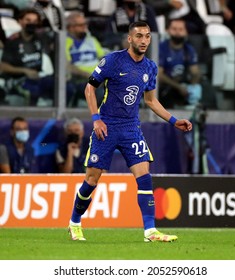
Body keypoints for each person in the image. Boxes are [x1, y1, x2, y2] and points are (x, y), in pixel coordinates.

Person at [68, 21, 192, 242]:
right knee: (92, 180)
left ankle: (150, 231)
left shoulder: (150, 67)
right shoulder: (113, 60)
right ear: (130, 38)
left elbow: (151, 101)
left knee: (144, 177)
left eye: (147, 36)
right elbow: (90, 87)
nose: (143, 40)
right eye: (139, 36)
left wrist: (174, 120)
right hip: (106, 127)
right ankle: (75, 222)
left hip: (131, 128)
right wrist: (96, 119)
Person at [0, 8, 54, 106]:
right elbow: (3, 66)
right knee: (34, 90)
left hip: (39, 77)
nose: (31, 23)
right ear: (20, 21)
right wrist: (25, 71)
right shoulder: (13, 41)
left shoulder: (42, 38)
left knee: (63, 86)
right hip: (19, 79)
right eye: (28, 20)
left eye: (34, 21)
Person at [158, 18, 202, 108]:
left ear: (186, 32)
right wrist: (178, 87)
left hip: (183, 86)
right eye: (174, 29)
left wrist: (192, 86)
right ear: (168, 31)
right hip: (164, 88)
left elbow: (195, 72)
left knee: (198, 89)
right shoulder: (161, 48)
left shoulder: (189, 49)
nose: (177, 32)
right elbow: (159, 75)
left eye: (181, 29)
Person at [65, 11, 106, 107]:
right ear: (70, 27)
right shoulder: (65, 42)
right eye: (80, 25)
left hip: (100, 78)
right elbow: (67, 66)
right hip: (80, 80)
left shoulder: (92, 40)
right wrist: (88, 75)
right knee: (102, 93)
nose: (84, 27)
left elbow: (104, 59)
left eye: (85, 24)